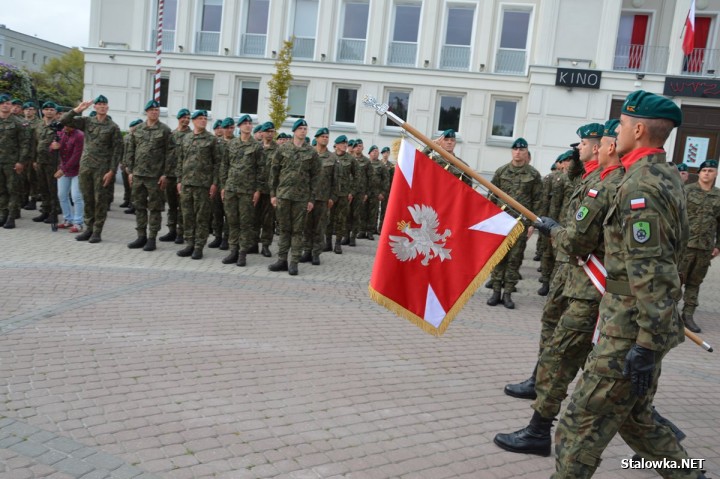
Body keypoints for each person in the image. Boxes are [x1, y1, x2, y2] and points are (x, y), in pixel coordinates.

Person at [552, 90, 702, 478]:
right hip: (636, 326)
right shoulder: (661, 175)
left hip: (631, 330)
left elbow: (653, 272)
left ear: (638, 128)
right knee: (637, 421)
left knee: (577, 429)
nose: (614, 133)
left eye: (619, 125)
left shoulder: (640, 187)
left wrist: (646, 345)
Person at [494, 119, 624, 457]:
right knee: (567, 350)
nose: (576, 149)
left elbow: (581, 239)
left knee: (567, 356)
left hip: (589, 282)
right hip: (574, 275)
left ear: (602, 145)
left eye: (584, 143)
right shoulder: (592, 176)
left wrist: (554, 232)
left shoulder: (606, 183)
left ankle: (539, 431)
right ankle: (663, 439)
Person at [487, 137, 542, 309]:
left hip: (520, 224)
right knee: (499, 257)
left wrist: (533, 224)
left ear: (526, 153)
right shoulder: (501, 171)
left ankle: (508, 294)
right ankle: (496, 292)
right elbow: (491, 197)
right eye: (515, 149)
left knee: (514, 259)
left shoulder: (533, 175)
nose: (518, 152)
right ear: (512, 151)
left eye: (522, 150)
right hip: (501, 222)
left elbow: (538, 201)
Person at [59, 95, 123, 243]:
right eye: (99, 104)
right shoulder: (87, 122)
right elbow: (64, 121)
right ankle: (88, 229)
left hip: (102, 168)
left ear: (107, 107)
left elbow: (117, 151)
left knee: (100, 200)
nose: (101, 106)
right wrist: (78, 109)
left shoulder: (113, 127)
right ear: (95, 107)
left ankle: (97, 231)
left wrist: (112, 171)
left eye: (104, 104)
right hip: (86, 167)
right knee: (88, 199)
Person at [268, 119, 320, 276]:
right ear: (294, 131)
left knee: (297, 231)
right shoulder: (282, 149)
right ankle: (282, 260)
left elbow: (316, 177)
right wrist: (272, 194)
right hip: (283, 195)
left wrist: (311, 199)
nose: (303, 131)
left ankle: (294, 262)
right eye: (301, 128)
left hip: (301, 198)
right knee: (284, 229)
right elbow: (274, 172)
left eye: (305, 128)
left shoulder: (311, 152)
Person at [125, 100, 174, 252]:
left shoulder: (165, 130)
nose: (154, 112)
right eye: (152, 110)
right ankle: (141, 236)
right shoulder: (138, 129)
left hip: (155, 176)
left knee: (155, 208)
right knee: (139, 206)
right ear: (146, 112)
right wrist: (130, 171)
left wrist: (165, 174)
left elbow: (170, 154)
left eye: (157, 110)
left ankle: (152, 238)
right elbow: (131, 150)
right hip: (138, 174)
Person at [679, 159, 720, 333]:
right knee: (676, 280)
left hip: (705, 248)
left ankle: (688, 315)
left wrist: (718, 245)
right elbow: (677, 218)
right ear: (699, 173)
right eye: (704, 170)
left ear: (716, 174)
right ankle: (668, 314)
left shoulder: (718, 196)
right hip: (685, 246)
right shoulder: (687, 191)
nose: (707, 173)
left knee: (694, 283)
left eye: (711, 170)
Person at [219, 114, 263, 267]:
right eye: (245, 123)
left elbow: (260, 170)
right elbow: (224, 166)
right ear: (239, 127)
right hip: (231, 188)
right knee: (232, 221)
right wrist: (223, 186)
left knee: (245, 223)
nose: (248, 126)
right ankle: (233, 251)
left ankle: (242, 254)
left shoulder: (257, 146)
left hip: (247, 190)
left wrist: (257, 190)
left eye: (250, 123)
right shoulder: (231, 145)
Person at [176, 110, 220, 260]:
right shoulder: (186, 138)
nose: (203, 121)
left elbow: (217, 163)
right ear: (193, 121)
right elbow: (180, 160)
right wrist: (179, 180)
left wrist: (214, 183)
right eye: (200, 118)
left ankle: (199, 247)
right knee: (187, 215)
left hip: (203, 185)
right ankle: (189, 243)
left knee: (201, 217)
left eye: (205, 119)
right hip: (187, 183)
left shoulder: (211, 139)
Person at [301, 127, 338, 265]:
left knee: (319, 227)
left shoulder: (332, 157)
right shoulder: (309, 154)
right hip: (307, 197)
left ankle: (316, 253)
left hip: (323, 198)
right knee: (306, 225)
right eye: (322, 136)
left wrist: (332, 197)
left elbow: (336, 179)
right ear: (316, 138)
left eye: (327, 137)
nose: (325, 138)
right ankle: (306, 251)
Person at [0, 93, 31, 229]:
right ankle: (3, 215)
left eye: (8, 103)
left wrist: (21, 162)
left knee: (13, 190)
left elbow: (25, 144)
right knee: (1, 190)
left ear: (11, 106)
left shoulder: (19, 122)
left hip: (12, 162)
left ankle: (11, 218)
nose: (5, 105)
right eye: (2, 103)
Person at [160, 108, 191, 244]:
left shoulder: (191, 135)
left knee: (182, 206)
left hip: (184, 177)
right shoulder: (171, 135)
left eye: (188, 118)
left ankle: (181, 232)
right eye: (184, 117)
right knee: (172, 205)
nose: (186, 120)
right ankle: (171, 230)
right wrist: (164, 174)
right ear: (179, 119)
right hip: (170, 175)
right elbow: (165, 155)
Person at [32, 101, 63, 226]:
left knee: (53, 189)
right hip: (40, 161)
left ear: (56, 112)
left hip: (53, 162)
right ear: (43, 111)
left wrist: (60, 164)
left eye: (52, 109)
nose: (49, 111)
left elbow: (64, 145)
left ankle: (53, 213)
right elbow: (34, 143)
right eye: (47, 109)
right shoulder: (39, 125)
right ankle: (45, 211)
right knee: (43, 188)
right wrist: (34, 159)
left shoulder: (59, 127)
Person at [52, 123, 85, 232]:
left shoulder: (79, 135)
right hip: (64, 168)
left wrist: (63, 170)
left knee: (76, 196)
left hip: (77, 169)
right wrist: (53, 146)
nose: (64, 127)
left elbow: (77, 155)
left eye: (67, 124)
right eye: (63, 125)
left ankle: (78, 222)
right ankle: (67, 219)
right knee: (61, 194)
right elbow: (52, 148)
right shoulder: (60, 134)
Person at [327, 135, 355, 254]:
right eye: (343, 143)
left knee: (341, 219)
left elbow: (357, 177)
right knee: (328, 219)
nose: (345, 145)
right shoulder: (330, 157)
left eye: (346, 143)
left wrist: (352, 191)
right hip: (330, 194)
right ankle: (327, 243)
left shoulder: (350, 159)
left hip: (344, 194)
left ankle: (337, 244)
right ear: (337, 145)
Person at [253, 121, 276, 257]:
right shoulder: (255, 148)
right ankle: (253, 243)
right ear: (261, 133)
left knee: (268, 220)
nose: (269, 133)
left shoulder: (278, 150)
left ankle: (266, 246)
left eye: (272, 131)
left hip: (269, 190)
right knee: (254, 218)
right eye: (267, 131)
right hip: (255, 189)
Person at [365, 145, 387, 240]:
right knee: (363, 211)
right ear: (369, 153)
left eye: (377, 151)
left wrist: (383, 192)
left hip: (376, 192)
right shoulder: (365, 163)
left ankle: (370, 231)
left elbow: (386, 180)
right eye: (373, 151)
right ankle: (362, 230)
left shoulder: (381, 165)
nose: (375, 153)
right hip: (365, 192)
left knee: (373, 213)